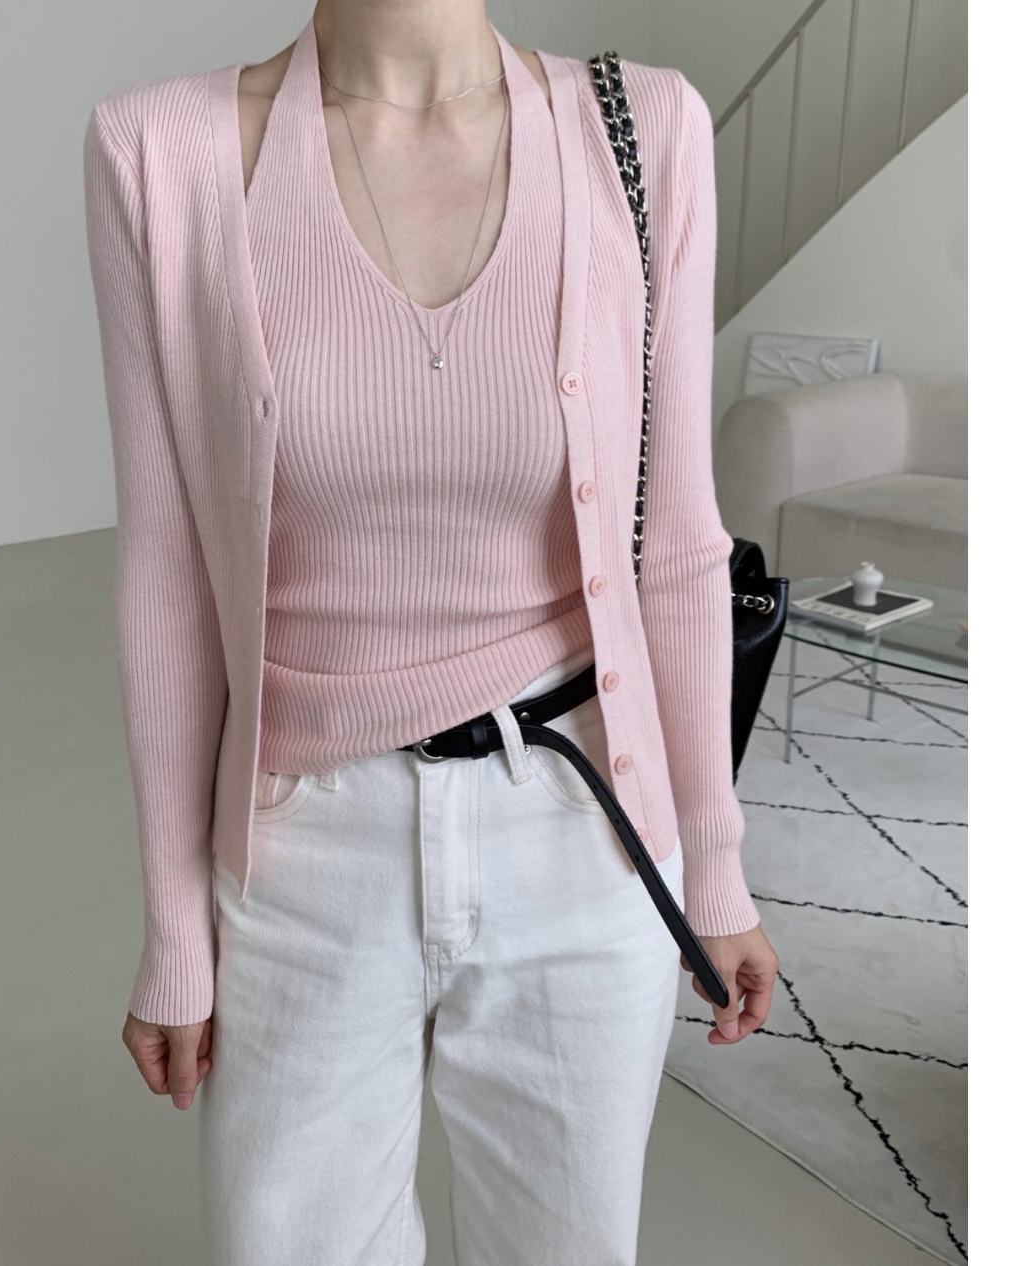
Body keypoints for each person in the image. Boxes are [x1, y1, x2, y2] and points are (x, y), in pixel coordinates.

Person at [83, 1, 780, 1261]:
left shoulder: (645, 128)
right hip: (301, 845)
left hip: (584, 829)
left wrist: (714, 868)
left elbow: (678, 543)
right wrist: (176, 929)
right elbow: (168, 574)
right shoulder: (159, 152)